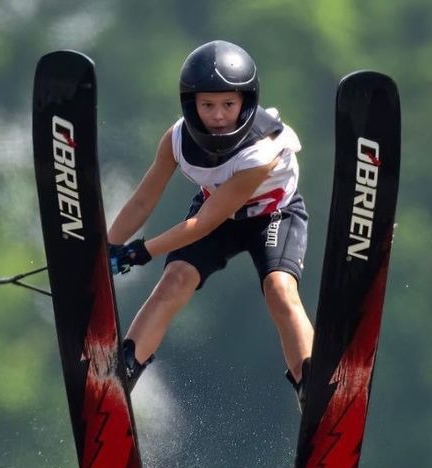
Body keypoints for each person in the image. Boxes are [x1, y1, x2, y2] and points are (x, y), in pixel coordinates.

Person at [107, 40, 313, 408]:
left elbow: (205, 222)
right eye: (207, 105)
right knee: (175, 279)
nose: (218, 115)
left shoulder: (261, 150)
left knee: (279, 289)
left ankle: (311, 385)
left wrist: (139, 252)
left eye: (228, 105)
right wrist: (106, 250)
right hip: (217, 212)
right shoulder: (176, 140)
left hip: (272, 215)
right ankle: (122, 373)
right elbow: (142, 200)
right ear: (191, 105)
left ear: (245, 102)